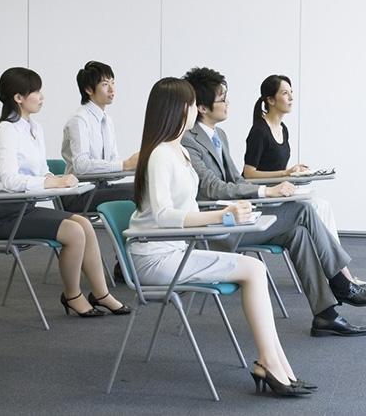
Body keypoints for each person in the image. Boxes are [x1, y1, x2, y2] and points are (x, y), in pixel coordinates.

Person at [128, 76, 312, 396]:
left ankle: (276, 362)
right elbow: (163, 216)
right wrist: (221, 216)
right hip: (155, 258)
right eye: (189, 105)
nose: (193, 110)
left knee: (254, 269)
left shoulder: (178, 151)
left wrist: (229, 211)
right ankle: (271, 363)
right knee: (253, 269)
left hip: (176, 250)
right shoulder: (160, 154)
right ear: (177, 109)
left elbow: (188, 206)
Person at [181, 67, 366, 337]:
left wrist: (272, 190)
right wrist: (266, 192)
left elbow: (236, 179)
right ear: (202, 108)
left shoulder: (220, 136)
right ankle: (342, 283)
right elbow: (211, 188)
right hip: (218, 225)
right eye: (222, 99)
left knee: (299, 233)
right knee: (303, 210)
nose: (228, 103)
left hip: (239, 216)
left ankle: (325, 315)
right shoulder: (189, 141)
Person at [0, 67, 130, 317]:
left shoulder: (34, 128)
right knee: (74, 231)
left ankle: (101, 294)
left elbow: (42, 172)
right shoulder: (6, 130)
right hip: (4, 215)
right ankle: (72, 296)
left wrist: (58, 179)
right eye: (36, 92)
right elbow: (9, 180)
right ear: (18, 97)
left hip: (27, 208)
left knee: (84, 224)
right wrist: (52, 183)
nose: (41, 97)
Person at [244, 74, 366, 285]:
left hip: (281, 192)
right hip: (264, 199)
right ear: (270, 100)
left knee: (323, 205)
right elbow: (249, 173)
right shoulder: (259, 131)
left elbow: (276, 168)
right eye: (285, 93)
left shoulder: (283, 129)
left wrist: (294, 172)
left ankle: (340, 273)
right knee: (317, 207)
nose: (291, 97)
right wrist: (286, 173)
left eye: (291, 92)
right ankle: (341, 276)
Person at [60, 61, 138, 213]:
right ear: (88, 89)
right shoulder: (79, 120)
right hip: (79, 193)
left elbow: (113, 162)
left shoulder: (107, 120)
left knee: (147, 187)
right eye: (105, 84)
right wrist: (125, 165)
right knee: (138, 193)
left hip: (101, 188)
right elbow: (81, 165)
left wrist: (135, 166)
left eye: (113, 83)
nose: (112, 89)